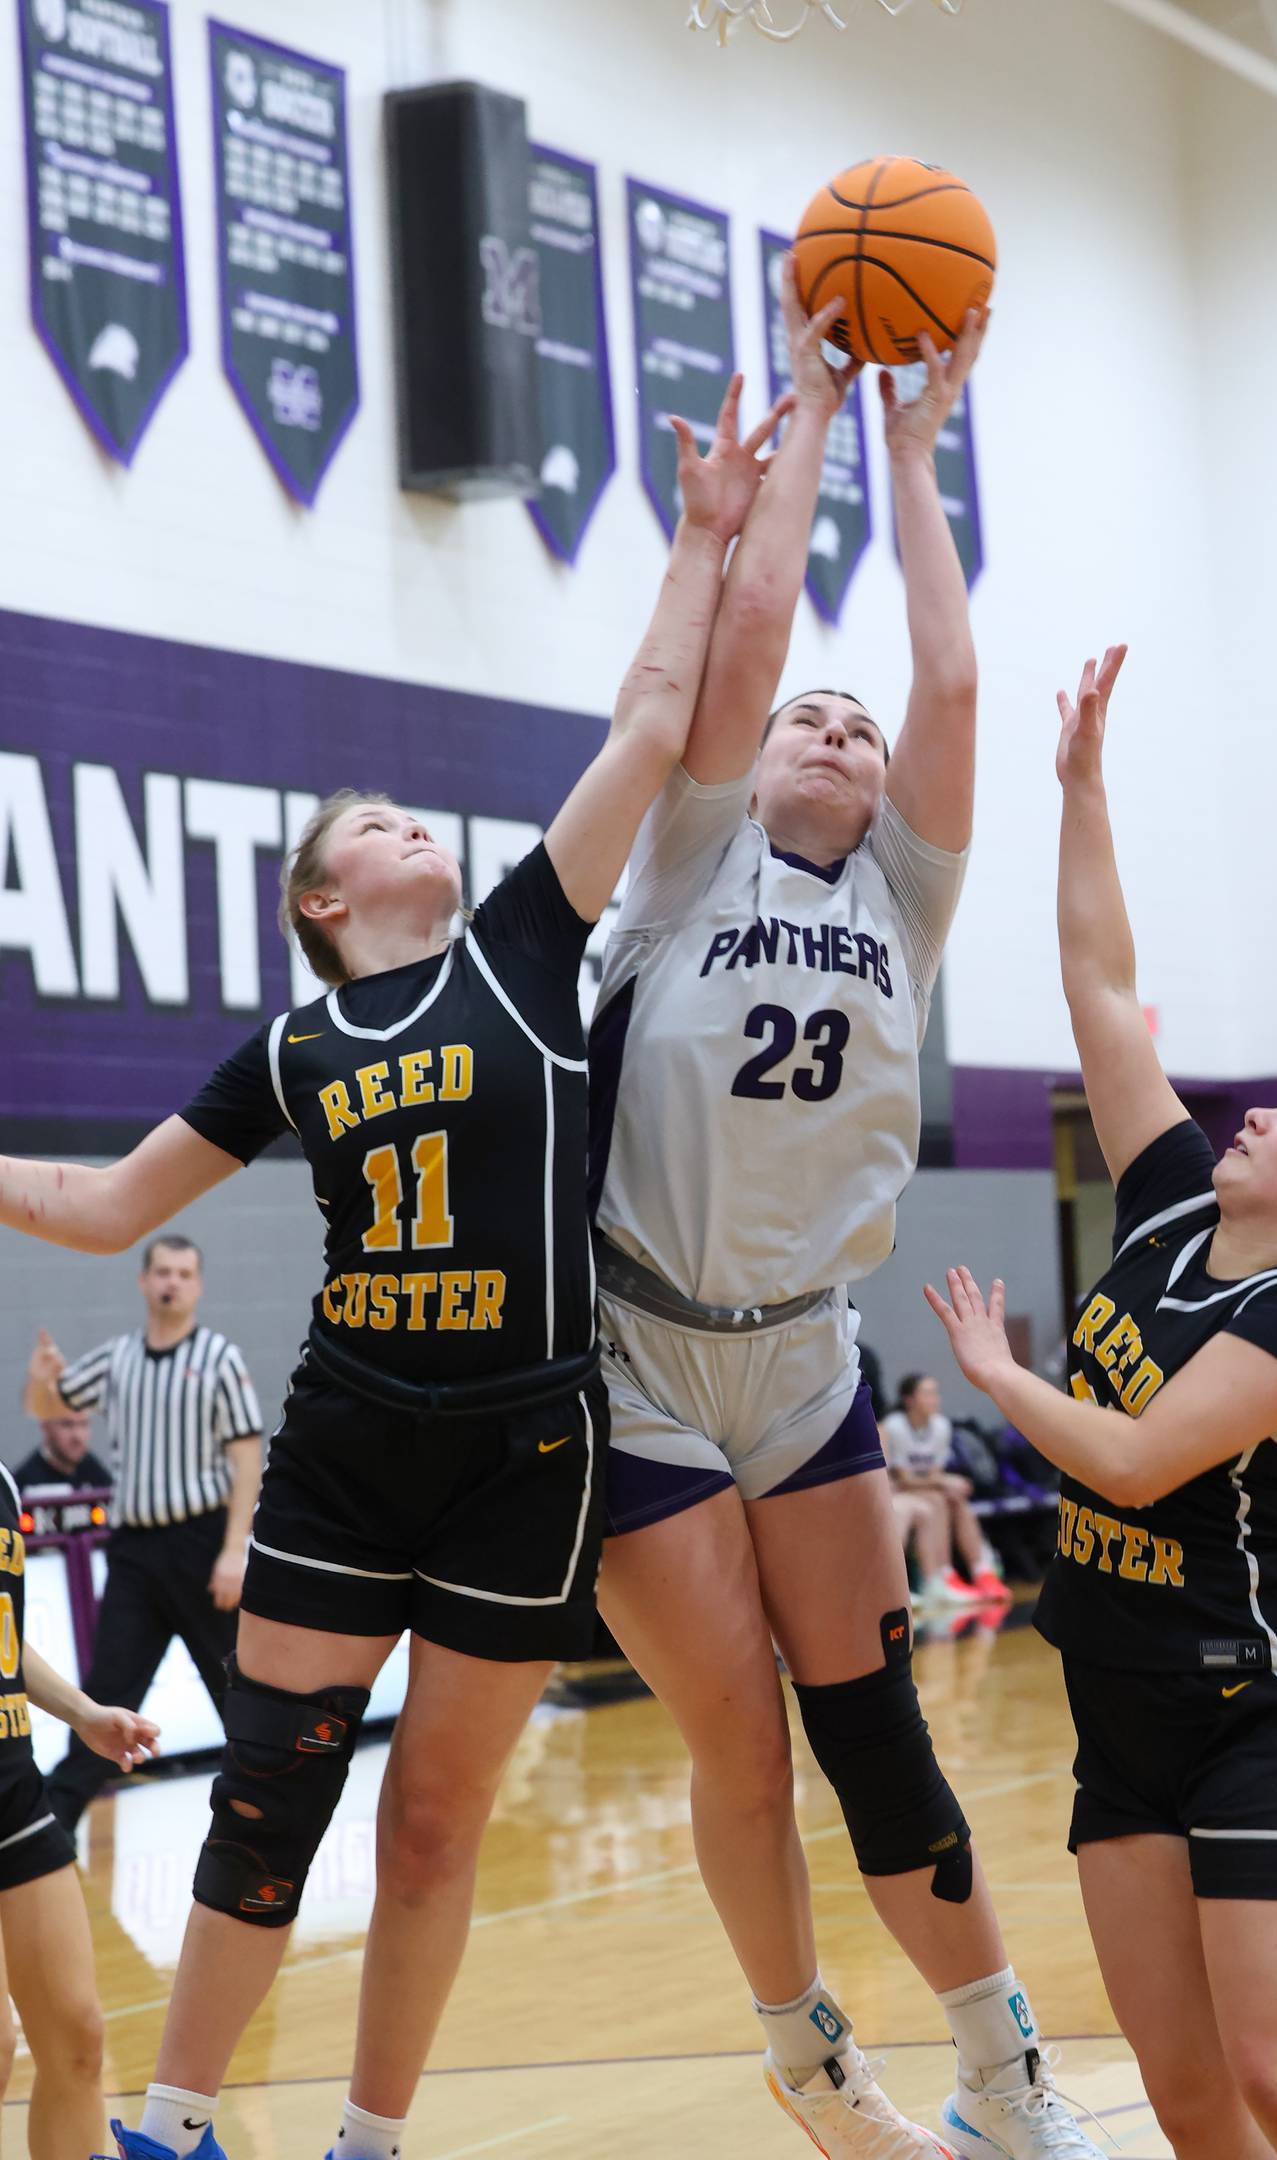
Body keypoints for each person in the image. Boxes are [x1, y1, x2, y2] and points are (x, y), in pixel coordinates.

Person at [0, 372, 785, 2160]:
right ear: (323, 901)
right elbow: (109, 1206)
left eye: (414, 817)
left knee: (433, 1826)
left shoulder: (522, 943)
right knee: (271, 1797)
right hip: (351, 1441)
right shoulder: (293, 1047)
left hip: (526, 1448)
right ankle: (173, 2128)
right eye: (371, 826)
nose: (411, 822)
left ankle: (367, 2138)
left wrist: (700, 534)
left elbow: (654, 718)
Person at [589, 267, 1102, 2160]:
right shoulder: (687, 851)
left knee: (870, 1725)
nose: (830, 724)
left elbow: (949, 681)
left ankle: (1005, 2079)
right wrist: (811, 411)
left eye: (853, 730)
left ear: (883, 796)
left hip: (804, 1360)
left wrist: (919, 451)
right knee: (737, 1738)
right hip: (637, 1352)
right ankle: (812, 2064)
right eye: (809, 715)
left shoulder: (909, 898)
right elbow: (744, 637)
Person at [926, 646, 1277, 2160]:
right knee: (1188, 2095)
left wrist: (1002, 1374)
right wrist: (1082, 792)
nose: (1255, 1113)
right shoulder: (1167, 1207)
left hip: (1264, 1709)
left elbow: (1142, 1463)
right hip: (1123, 1706)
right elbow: (1100, 984)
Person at [23, 1239, 262, 1833]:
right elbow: (44, 1406)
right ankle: (54, 1828)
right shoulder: (117, 1358)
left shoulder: (220, 1358)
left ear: (197, 1285)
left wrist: (235, 1549)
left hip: (203, 1546)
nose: (171, 1283)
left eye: (183, 1273)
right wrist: (39, 1381)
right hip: (134, 1553)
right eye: (162, 1272)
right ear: (143, 1281)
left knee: (238, 1694)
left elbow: (247, 1459)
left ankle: (266, 1817)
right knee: (106, 1691)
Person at [0, 1459, 158, 2160]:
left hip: (14, 1787)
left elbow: (6, 1635)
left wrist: (83, 1712)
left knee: (77, 2039)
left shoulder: (3, 1484)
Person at [880, 1375, 1011, 1608]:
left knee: (954, 1498)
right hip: (899, 1490)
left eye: (935, 1393)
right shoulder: (895, 1426)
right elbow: (903, 1479)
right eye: (927, 1393)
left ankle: (981, 1572)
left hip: (920, 1489)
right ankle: (941, 1576)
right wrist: (944, 1481)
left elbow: (933, 1473)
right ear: (909, 1400)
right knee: (939, 1498)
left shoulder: (941, 1426)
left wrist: (943, 1482)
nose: (935, 1399)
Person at [12, 1407, 111, 1494]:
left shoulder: (96, 1475)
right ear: (46, 1426)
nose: (78, 1436)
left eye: (83, 1424)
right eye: (67, 1425)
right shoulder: (24, 1486)